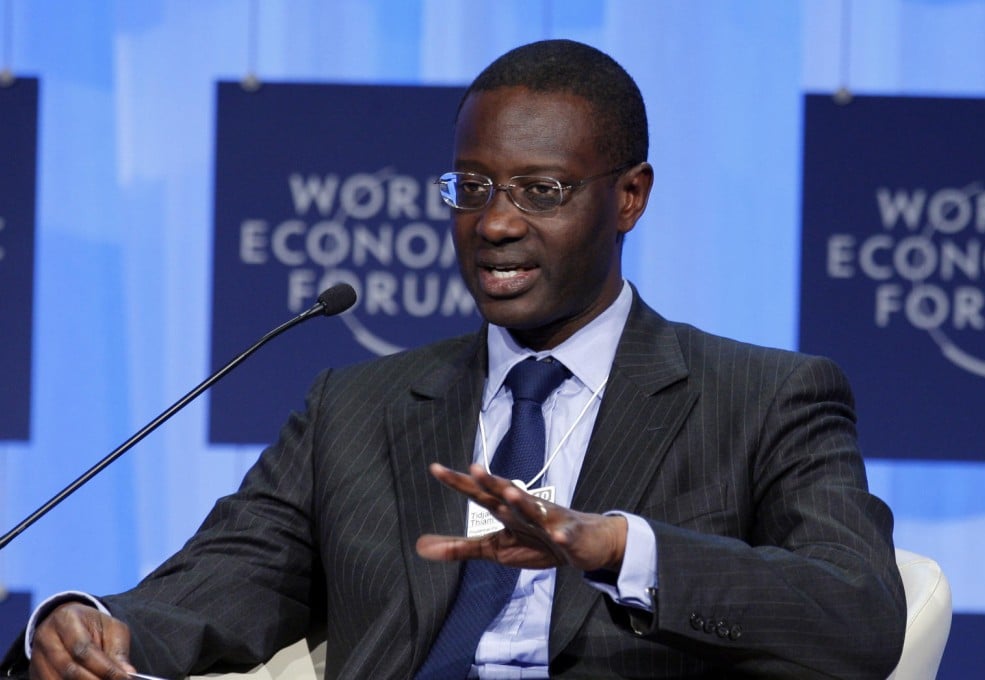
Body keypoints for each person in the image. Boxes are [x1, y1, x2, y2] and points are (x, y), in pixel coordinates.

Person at [7, 39, 906, 679]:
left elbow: (858, 618)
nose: (496, 221)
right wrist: (86, 624)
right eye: (470, 188)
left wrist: (616, 549)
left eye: (540, 191)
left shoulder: (763, 398)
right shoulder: (356, 408)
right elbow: (220, 584)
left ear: (629, 197)